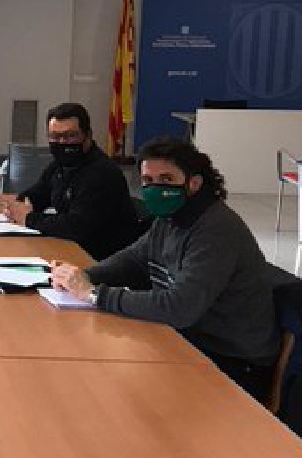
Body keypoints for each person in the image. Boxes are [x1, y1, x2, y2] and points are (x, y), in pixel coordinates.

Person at [50, 137, 279, 403]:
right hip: (188, 340)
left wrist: (95, 295)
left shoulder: (215, 230)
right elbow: (134, 259)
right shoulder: (171, 217)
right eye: (148, 180)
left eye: (167, 179)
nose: (156, 188)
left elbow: (179, 308)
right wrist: (84, 276)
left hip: (232, 362)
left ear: (194, 183)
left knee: (118, 398)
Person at [3, 102, 140, 260]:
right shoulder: (60, 165)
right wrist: (19, 206)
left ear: (88, 136)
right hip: (71, 249)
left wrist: (29, 218)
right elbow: (37, 194)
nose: (62, 142)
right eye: (55, 137)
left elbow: (76, 226)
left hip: (100, 260)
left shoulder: (102, 173)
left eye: (70, 136)